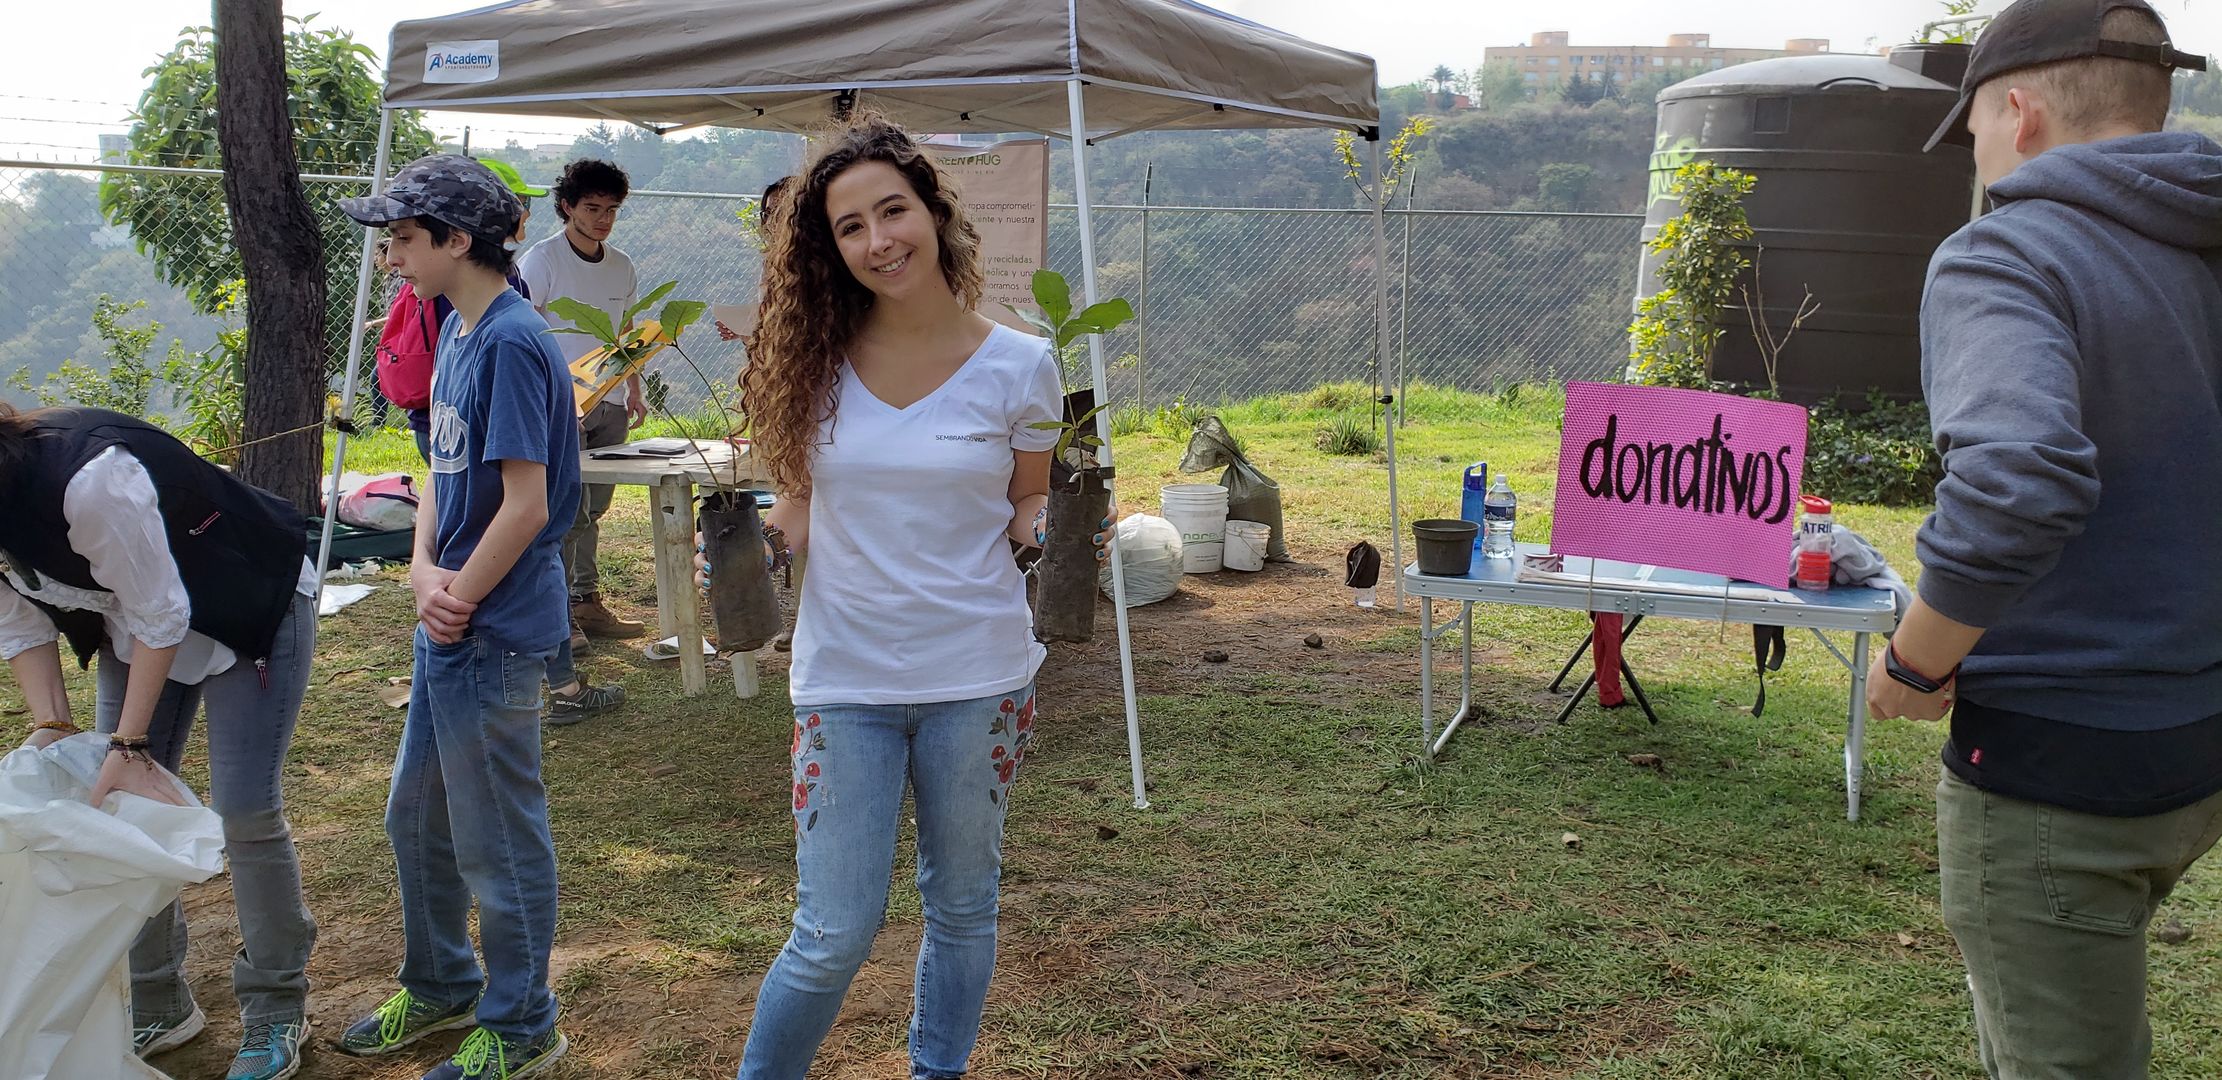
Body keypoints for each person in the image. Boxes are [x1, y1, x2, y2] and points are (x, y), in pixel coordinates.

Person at [1871, 2, 2222, 1077]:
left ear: (2016, 113)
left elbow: (2017, 481)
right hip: (2196, 740)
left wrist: (1914, 662)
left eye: (1971, 125)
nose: (1974, 152)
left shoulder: (2002, 254)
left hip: (2052, 773)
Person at [728, 113, 1108, 1080]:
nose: (876, 241)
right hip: (843, 678)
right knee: (831, 929)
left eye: (891, 211)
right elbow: (799, 515)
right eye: (849, 228)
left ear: (935, 213)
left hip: (976, 675)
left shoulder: (1021, 364)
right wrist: (750, 546)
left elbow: (1026, 504)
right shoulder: (809, 363)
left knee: (963, 905)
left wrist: (1060, 531)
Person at [335, 154, 577, 1080]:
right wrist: (423, 569)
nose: (392, 255)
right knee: (416, 818)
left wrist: (459, 595)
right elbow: (442, 471)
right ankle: (442, 982)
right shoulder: (456, 326)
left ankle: (523, 1025)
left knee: (497, 838)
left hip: (495, 629)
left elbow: (527, 501)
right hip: (450, 616)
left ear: (456, 241)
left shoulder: (514, 340)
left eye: (403, 238)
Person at [1, 402, 320, 1080]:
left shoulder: (86, 478)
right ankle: (160, 1001)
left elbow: (165, 611)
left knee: (246, 810)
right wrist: (56, 730)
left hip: (246, 601)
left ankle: (276, 1009)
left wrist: (131, 744)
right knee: (114, 802)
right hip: (139, 619)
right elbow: (22, 625)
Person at [517, 157, 646, 646]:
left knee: (594, 509)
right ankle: (557, 615)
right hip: (559, 404)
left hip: (610, 401)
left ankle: (585, 602)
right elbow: (525, 330)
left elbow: (627, 332)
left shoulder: (622, 265)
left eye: (612, 210)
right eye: (592, 208)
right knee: (563, 511)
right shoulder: (543, 259)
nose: (603, 219)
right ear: (567, 206)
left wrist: (634, 389)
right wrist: (547, 397)